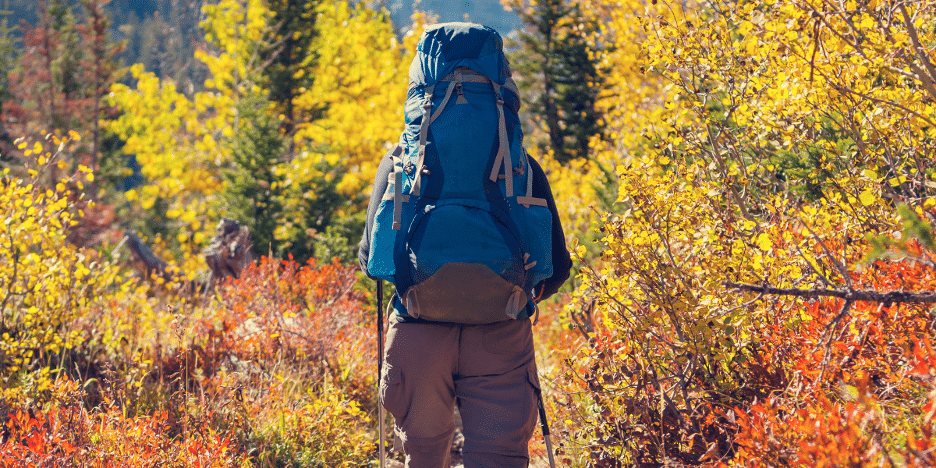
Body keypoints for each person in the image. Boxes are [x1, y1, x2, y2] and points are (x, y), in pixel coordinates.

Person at [358, 22, 572, 468]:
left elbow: (371, 261)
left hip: (417, 328)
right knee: (498, 457)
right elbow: (557, 267)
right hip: (501, 327)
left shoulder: (399, 162)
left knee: (423, 455)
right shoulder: (521, 166)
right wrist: (511, 293)